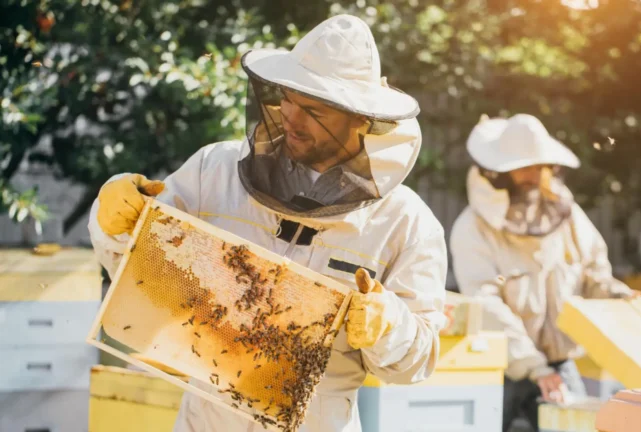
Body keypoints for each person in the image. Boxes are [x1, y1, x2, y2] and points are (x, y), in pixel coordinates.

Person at [89, 14, 447, 432]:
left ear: (360, 120)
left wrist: (391, 325)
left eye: (313, 110)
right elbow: (134, 270)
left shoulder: (404, 221)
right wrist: (113, 220)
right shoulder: (214, 169)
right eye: (289, 97)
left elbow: (417, 363)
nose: (291, 116)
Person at [449, 114, 639, 432]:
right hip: (498, 368)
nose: (533, 175)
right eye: (523, 166)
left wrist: (618, 295)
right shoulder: (472, 228)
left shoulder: (567, 215)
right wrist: (534, 366)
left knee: (579, 427)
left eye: (539, 166)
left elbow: (593, 274)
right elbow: (487, 303)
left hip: (557, 363)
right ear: (497, 171)